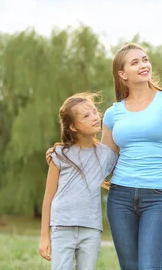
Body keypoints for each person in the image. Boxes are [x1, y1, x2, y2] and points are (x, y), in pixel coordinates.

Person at [100, 42, 162, 270]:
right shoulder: (114, 113)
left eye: (145, 59)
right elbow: (104, 160)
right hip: (120, 198)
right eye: (135, 62)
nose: (144, 64)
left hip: (159, 197)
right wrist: (67, 153)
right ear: (122, 74)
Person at [39, 92, 118, 269]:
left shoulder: (107, 155)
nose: (94, 117)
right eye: (86, 115)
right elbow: (48, 197)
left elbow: (132, 164)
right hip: (62, 226)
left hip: (91, 228)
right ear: (73, 127)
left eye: (94, 112)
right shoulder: (59, 154)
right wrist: (45, 236)